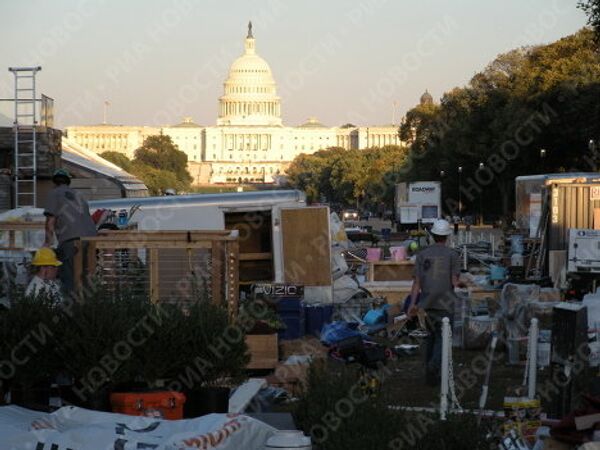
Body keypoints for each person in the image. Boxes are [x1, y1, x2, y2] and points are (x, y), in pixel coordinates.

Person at [407, 219, 460, 385]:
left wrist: (411, 305)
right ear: (447, 237)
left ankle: (429, 375)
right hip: (445, 304)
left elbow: (417, 283)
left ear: (433, 235)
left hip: (426, 304)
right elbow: (454, 282)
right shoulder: (453, 255)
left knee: (430, 337)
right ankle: (434, 366)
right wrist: (464, 283)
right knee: (443, 338)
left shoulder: (422, 255)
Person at [43, 168, 97, 293]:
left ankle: (70, 310)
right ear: (68, 182)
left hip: (71, 240)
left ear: (54, 182)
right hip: (91, 240)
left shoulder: (54, 193)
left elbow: (50, 221)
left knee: (69, 278)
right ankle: (89, 308)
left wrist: (47, 243)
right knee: (85, 277)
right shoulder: (79, 196)